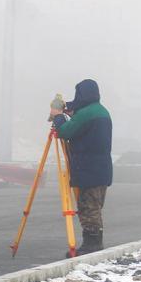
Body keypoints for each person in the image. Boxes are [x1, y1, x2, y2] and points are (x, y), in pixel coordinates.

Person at [50, 79, 112, 255]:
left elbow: (65, 131)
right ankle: (94, 241)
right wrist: (67, 107)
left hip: (88, 168)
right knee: (95, 206)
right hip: (101, 168)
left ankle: (92, 244)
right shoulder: (100, 111)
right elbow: (80, 114)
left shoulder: (87, 114)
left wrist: (59, 116)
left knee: (88, 206)